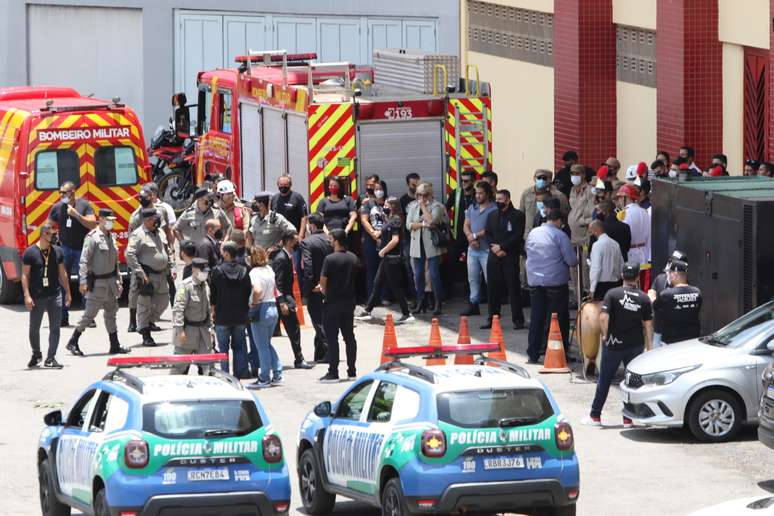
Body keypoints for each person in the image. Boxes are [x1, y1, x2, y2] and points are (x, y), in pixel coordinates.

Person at [581, 264, 653, 428]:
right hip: (635, 345)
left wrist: (606, 335)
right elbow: (648, 325)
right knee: (633, 382)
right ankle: (628, 418)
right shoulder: (643, 298)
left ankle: (595, 417)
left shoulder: (612, 294)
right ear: (636, 277)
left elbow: (604, 317)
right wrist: (649, 348)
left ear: (621, 275)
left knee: (604, 380)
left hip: (614, 344)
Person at [65, 209, 129, 356]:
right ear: (100, 220)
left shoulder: (110, 237)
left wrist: (118, 281)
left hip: (111, 283)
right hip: (97, 284)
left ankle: (115, 345)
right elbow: (84, 261)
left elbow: (116, 263)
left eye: (112, 220)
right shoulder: (92, 238)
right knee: (89, 315)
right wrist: (82, 281)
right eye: (108, 220)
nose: (111, 223)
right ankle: (73, 341)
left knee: (111, 314)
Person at [525, 210, 578, 363]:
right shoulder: (560, 235)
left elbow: (527, 252)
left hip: (535, 282)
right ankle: (560, 352)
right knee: (559, 319)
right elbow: (572, 261)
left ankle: (533, 353)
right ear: (558, 220)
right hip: (555, 284)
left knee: (537, 318)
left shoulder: (533, 233)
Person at [355, 197, 414, 324]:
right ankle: (368, 310)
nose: (385, 206)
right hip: (386, 259)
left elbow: (395, 240)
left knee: (395, 287)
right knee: (377, 283)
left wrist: (383, 250)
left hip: (391, 258)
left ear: (393, 206)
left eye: (387, 204)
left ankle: (406, 313)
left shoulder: (396, 220)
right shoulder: (389, 219)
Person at [47, 180, 96, 327]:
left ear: (72, 192)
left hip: (82, 250)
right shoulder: (57, 207)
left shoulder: (84, 206)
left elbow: (93, 223)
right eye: (60, 192)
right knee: (62, 282)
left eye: (64, 192)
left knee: (84, 282)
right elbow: (47, 225)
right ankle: (63, 316)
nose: (61, 195)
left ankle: (88, 317)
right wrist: (50, 236)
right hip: (64, 250)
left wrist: (76, 215)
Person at [22, 223, 71, 369]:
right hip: (37, 296)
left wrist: (68, 292)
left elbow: (63, 273)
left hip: (55, 294)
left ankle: (51, 358)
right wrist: (27, 296)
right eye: (53, 234)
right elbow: (24, 275)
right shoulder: (30, 253)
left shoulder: (57, 251)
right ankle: (37, 353)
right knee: (34, 328)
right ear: (44, 235)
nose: (55, 237)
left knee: (55, 327)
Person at [126, 208, 173, 347]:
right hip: (147, 276)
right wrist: (139, 272)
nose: (157, 221)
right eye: (154, 218)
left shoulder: (159, 232)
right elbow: (130, 254)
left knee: (164, 300)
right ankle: (145, 333)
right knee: (144, 305)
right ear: (147, 220)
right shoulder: (138, 234)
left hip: (162, 274)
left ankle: (146, 323)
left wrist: (171, 266)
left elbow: (166, 250)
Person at [318, 229, 360, 383]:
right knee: (349, 337)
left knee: (332, 338)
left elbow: (323, 283)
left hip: (333, 302)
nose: (329, 241)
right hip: (349, 302)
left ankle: (333, 372)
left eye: (331, 239)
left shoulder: (329, 259)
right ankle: (352, 371)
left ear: (336, 240)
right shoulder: (353, 258)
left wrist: (322, 289)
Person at [483, 189, 526, 330]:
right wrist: (494, 248)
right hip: (493, 256)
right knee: (492, 289)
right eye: (496, 199)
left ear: (507, 200)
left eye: (500, 199)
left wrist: (503, 248)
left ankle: (518, 320)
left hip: (509, 255)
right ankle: (492, 318)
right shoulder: (492, 215)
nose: (498, 202)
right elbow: (488, 234)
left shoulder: (518, 215)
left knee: (513, 287)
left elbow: (517, 235)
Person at [272, 231, 314, 369]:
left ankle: (298, 357)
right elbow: (277, 283)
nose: (298, 244)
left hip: (286, 298)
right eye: (296, 241)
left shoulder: (286, 257)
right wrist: (282, 302)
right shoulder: (281, 258)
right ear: (289, 242)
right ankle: (298, 358)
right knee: (293, 329)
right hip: (283, 300)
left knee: (294, 329)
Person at [210, 241, 252, 378]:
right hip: (240, 315)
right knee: (240, 346)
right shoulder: (244, 270)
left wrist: (213, 312)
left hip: (222, 316)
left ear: (227, 254)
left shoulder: (217, 271)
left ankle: (225, 375)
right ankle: (240, 374)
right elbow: (248, 293)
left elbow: (213, 295)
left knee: (223, 349)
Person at [406, 182, 447, 316]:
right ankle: (420, 302)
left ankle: (437, 303)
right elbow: (408, 225)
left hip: (431, 245)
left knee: (434, 275)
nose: (421, 197)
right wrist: (423, 224)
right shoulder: (412, 206)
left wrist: (423, 207)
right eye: (418, 195)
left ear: (429, 194)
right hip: (416, 245)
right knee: (418, 275)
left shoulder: (437, 206)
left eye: (424, 195)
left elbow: (432, 221)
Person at [247, 246, 283, 388]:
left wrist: (254, 303)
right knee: (266, 344)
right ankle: (277, 372)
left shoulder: (254, 272)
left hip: (261, 308)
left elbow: (257, 289)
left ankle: (264, 378)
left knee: (261, 346)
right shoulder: (269, 270)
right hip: (272, 307)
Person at [170, 258, 213, 374]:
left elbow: (208, 310)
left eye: (206, 271)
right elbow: (178, 309)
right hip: (187, 332)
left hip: (203, 332)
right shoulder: (185, 286)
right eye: (202, 271)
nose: (205, 274)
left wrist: (211, 329)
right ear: (194, 269)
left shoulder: (205, 286)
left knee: (208, 366)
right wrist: (180, 331)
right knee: (179, 367)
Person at [301, 213, 333, 363]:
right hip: (331, 286)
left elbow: (307, 267)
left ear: (312, 226)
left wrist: (310, 286)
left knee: (318, 321)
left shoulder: (307, 242)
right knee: (325, 318)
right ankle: (319, 353)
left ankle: (330, 351)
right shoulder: (330, 240)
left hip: (316, 288)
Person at [461, 180, 496, 316]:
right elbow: (466, 225)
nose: (478, 196)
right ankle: (473, 304)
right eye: (476, 193)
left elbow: (490, 229)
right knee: (473, 278)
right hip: (472, 249)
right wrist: (470, 237)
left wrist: (474, 236)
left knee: (490, 279)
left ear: (487, 194)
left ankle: (493, 308)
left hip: (486, 250)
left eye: (481, 193)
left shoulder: (493, 209)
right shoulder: (472, 208)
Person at [653, 260, 702, 345]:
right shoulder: (697, 292)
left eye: (670, 273)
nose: (668, 276)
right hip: (692, 339)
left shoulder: (666, 294)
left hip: (671, 342)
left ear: (675, 275)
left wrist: (652, 298)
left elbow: (655, 306)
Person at [271, 174, 308, 284]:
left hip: (293, 239)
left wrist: (301, 235)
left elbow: (304, 217)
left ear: (290, 185)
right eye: (281, 185)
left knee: (295, 268)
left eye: (285, 185)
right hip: (278, 240)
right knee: (279, 267)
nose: (283, 187)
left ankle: (298, 294)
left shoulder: (297, 197)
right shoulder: (275, 199)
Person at [446, 170, 477, 299]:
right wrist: (447, 226)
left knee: (471, 265)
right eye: (462, 181)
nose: (463, 183)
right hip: (457, 235)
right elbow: (445, 208)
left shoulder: (478, 194)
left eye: (467, 181)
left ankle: (470, 291)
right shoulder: (456, 193)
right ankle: (448, 291)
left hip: (473, 236)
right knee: (451, 263)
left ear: (473, 181)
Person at [648, 249, 688, 348]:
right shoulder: (660, 278)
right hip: (658, 329)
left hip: (675, 333)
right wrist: (655, 301)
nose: (669, 265)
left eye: (672, 263)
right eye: (669, 261)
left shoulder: (684, 285)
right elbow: (651, 292)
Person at [568, 164, 595, 297]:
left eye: (576, 173)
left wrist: (581, 222)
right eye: (572, 173)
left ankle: (586, 293)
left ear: (583, 175)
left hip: (585, 236)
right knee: (573, 267)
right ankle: (577, 294)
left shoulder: (590, 190)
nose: (574, 176)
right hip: (574, 235)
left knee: (585, 266)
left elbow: (593, 214)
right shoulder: (573, 190)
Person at [360, 180, 388, 302]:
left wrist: (381, 233)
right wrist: (373, 234)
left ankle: (384, 296)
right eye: (376, 189)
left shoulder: (389, 202)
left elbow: (394, 219)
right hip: (370, 241)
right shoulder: (368, 203)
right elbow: (364, 220)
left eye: (380, 188)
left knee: (385, 269)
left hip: (387, 240)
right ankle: (372, 298)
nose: (378, 191)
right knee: (371, 269)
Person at [519, 169, 569, 238]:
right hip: (529, 235)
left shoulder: (558, 196)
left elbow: (565, 215)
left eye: (544, 178)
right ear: (534, 178)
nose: (541, 180)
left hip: (549, 235)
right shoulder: (527, 193)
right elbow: (521, 214)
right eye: (539, 178)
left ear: (549, 180)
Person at [616, 184, 650, 269]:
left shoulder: (623, 214)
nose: (619, 200)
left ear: (626, 197)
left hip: (630, 253)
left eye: (620, 197)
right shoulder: (644, 212)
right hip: (644, 252)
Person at [587, 220, 624, 300]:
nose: (591, 234)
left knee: (602, 311)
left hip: (601, 286)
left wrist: (592, 289)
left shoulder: (597, 245)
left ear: (596, 231)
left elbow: (596, 268)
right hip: (615, 283)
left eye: (591, 231)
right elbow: (621, 264)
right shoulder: (615, 243)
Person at [399, 173, 421, 299]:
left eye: (417, 184)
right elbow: (401, 221)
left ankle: (424, 296)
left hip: (422, 238)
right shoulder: (403, 200)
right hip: (408, 239)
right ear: (408, 184)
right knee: (410, 269)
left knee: (423, 270)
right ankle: (413, 296)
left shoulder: (423, 199)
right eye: (413, 184)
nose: (416, 187)